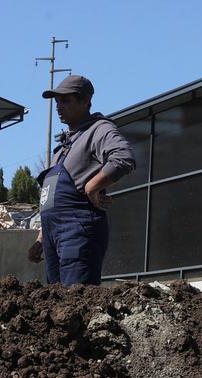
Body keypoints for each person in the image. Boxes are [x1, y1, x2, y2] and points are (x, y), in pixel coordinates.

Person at [28, 75, 137, 286]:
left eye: (65, 100)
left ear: (85, 100)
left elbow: (123, 157)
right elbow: (51, 198)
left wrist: (93, 186)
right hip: (53, 236)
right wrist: (41, 238)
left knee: (75, 297)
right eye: (57, 101)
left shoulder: (99, 129)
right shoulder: (63, 146)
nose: (58, 106)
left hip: (77, 231)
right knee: (54, 299)